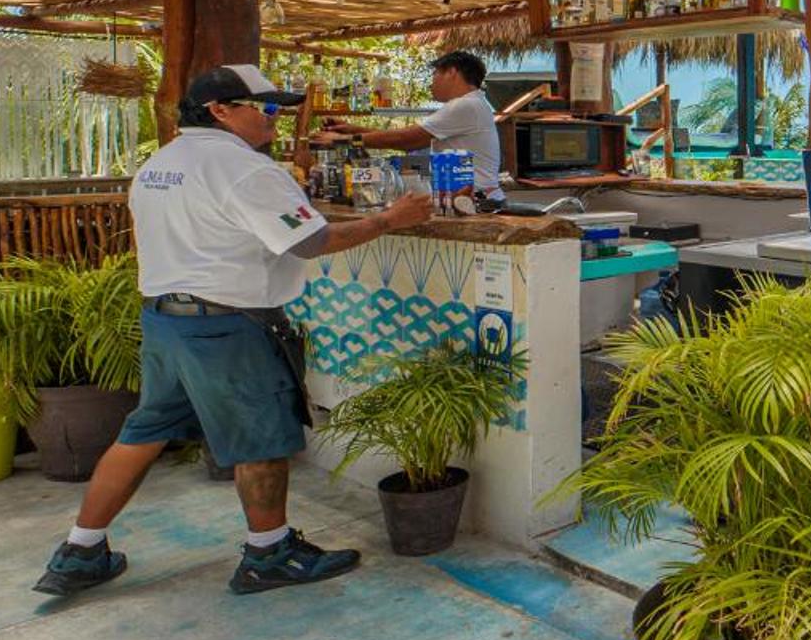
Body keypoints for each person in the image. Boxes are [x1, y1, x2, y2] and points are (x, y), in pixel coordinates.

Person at [34, 63, 432, 601]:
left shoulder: (160, 164)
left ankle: (80, 550)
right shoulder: (245, 169)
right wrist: (390, 219)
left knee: (143, 432)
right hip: (227, 326)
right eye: (264, 108)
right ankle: (269, 554)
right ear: (220, 110)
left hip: (166, 322)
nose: (275, 119)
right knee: (262, 441)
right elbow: (311, 242)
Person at [334, 49, 502, 198]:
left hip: (472, 201)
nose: (431, 83)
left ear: (451, 72)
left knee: (377, 183)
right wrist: (352, 129)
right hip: (466, 195)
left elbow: (405, 140)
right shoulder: (472, 103)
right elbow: (410, 137)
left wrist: (342, 140)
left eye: (435, 74)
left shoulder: (465, 105)